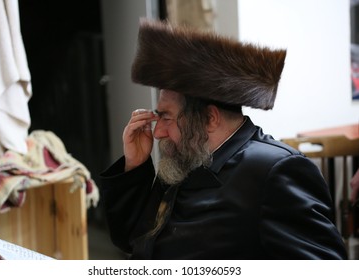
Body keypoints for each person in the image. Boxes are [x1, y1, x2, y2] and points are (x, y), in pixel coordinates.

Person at [99, 19, 347, 259]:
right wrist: (135, 165)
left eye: (166, 117)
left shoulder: (275, 171)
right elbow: (132, 241)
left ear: (210, 118)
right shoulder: (188, 156)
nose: (157, 132)